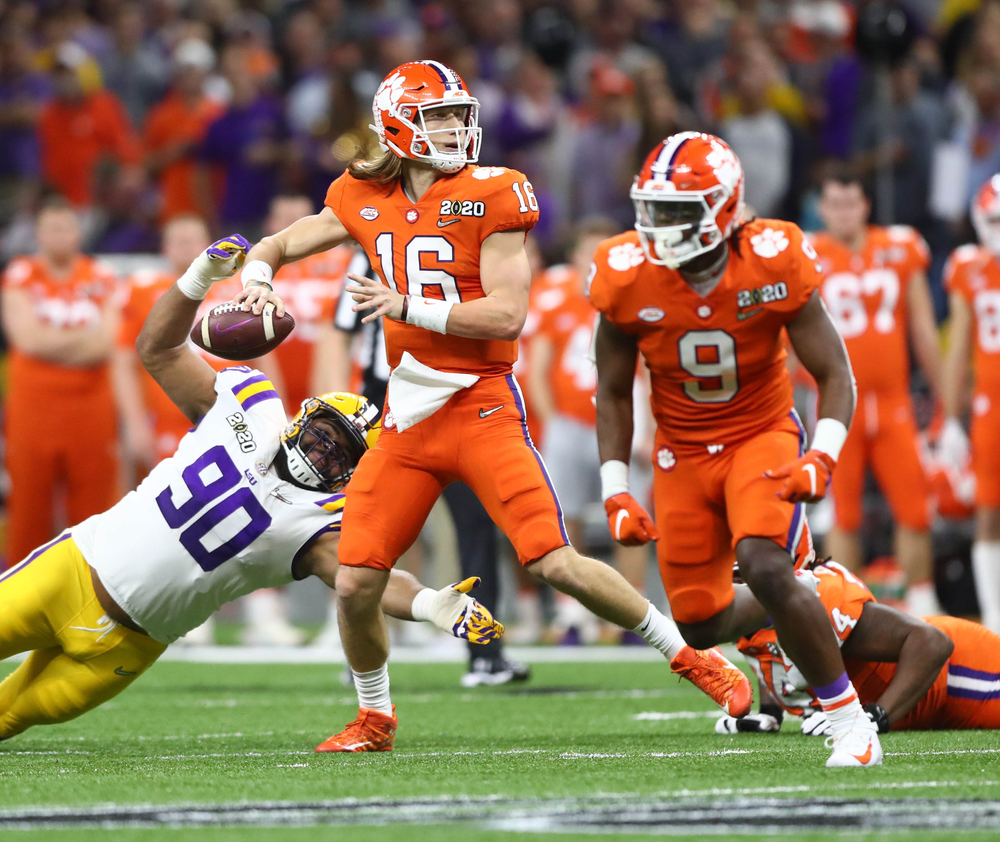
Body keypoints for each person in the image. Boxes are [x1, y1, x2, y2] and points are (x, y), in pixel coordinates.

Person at [235, 61, 751, 752]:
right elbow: (282, 240)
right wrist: (259, 276)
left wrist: (406, 305)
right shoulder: (361, 192)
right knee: (356, 580)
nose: (454, 128)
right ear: (396, 124)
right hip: (409, 417)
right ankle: (374, 718)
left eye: (457, 114)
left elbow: (507, 315)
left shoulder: (494, 192)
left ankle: (693, 657)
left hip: (480, 406)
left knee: (552, 560)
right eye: (437, 117)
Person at [0, 236, 502, 741]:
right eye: (323, 436)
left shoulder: (320, 521)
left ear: (352, 472)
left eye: (339, 453)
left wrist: (430, 604)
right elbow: (156, 347)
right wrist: (199, 277)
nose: (323, 453)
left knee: (6, 718)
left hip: (128, 648)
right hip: (72, 572)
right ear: (303, 417)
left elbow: (365, 580)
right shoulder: (248, 403)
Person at [591, 131, 881, 767]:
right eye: (653, 208)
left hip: (760, 434)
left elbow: (835, 373)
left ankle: (850, 720)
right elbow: (611, 391)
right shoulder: (626, 275)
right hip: (681, 454)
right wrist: (614, 485)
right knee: (697, 622)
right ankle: (810, 594)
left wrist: (822, 456)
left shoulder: (771, 258)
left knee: (764, 560)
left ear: (723, 208)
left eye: (676, 211)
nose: (658, 225)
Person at [810, 173, 943, 616]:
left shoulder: (900, 247)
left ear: (865, 205)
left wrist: (947, 404)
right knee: (843, 513)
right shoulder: (808, 256)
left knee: (914, 507)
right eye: (834, 203)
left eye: (851, 203)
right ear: (822, 209)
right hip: (836, 404)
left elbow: (923, 329)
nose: (843, 213)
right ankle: (844, 609)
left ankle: (923, 603)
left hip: (893, 402)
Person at [528, 217, 653, 643]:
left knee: (632, 516)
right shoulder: (557, 296)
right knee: (565, 518)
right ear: (577, 257)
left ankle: (633, 608)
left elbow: (652, 367)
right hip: (570, 422)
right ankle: (573, 613)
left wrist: (649, 428)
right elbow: (538, 368)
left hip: (623, 422)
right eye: (590, 252)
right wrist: (552, 420)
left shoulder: (634, 295)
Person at [716, 559, 999, 734]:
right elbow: (774, 657)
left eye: (734, 582)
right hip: (926, 705)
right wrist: (767, 717)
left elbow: (932, 643)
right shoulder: (753, 631)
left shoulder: (818, 597)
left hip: (958, 673)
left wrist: (874, 717)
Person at [1, 201, 121, 567]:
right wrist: (80, 342)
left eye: (65, 229)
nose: (59, 237)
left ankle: (92, 589)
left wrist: (51, 341)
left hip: (90, 405)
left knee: (94, 500)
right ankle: (17, 598)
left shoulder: (100, 275)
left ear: (78, 233)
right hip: (33, 406)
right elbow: (26, 339)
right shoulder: (21, 274)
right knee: (29, 500)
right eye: (51, 229)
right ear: (38, 235)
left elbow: (106, 342)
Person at [941, 173, 1000, 635]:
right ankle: (995, 620)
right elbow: (957, 349)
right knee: (988, 511)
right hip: (989, 405)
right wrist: (949, 420)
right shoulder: (969, 267)